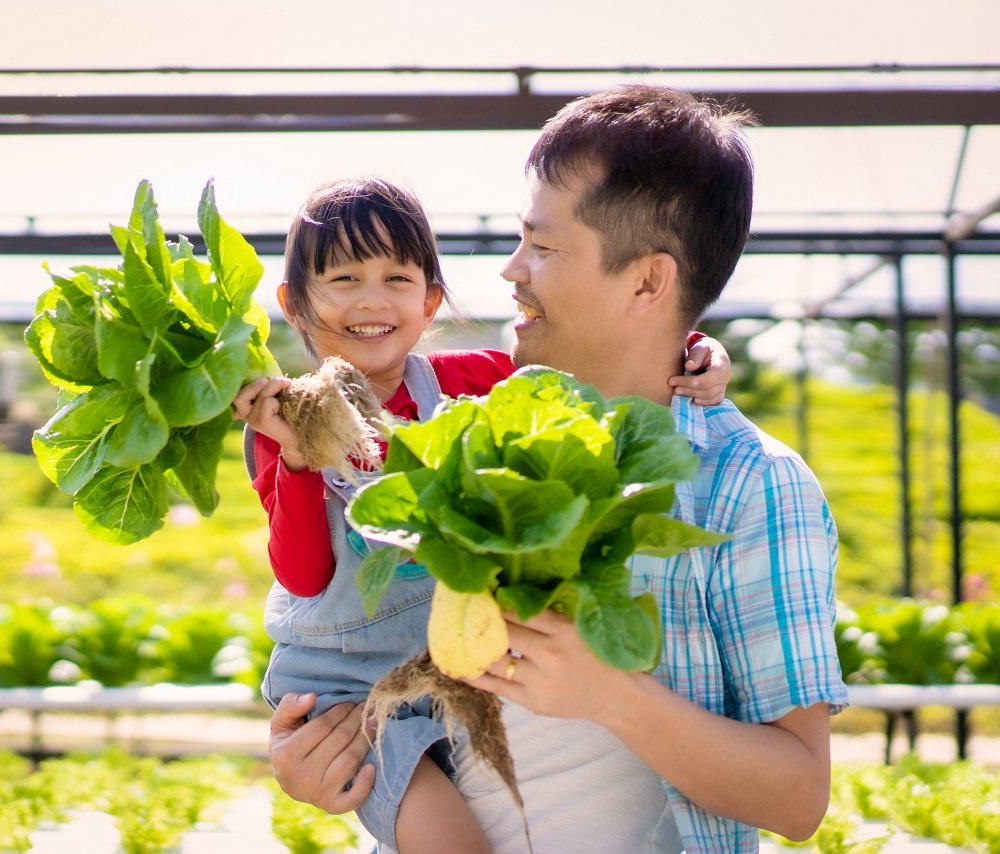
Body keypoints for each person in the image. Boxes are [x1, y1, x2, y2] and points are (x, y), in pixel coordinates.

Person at [266, 87, 849, 853]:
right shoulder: (473, 435)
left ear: (647, 282)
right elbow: (343, 614)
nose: (511, 270)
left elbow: (800, 797)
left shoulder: (751, 487)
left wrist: (609, 695)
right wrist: (329, 759)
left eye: (542, 247)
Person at [233, 175, 731, 853]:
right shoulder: (280, 418)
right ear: (294, 302)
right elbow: (303, 574)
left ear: (431, 298)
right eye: (343, 278)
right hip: (348, 685)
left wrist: (694, 350)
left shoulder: (472, 380)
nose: (371, 301)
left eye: (397, 278)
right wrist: (297, 461)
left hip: (449, 660)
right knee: (451, 840)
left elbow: (594, 375)